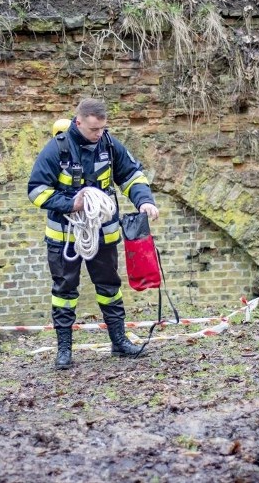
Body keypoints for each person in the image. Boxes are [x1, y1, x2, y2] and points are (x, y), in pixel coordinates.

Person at [28, 98, 159, 370]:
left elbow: (132, 176)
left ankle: (119, 341)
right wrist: (72, 204)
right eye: (92, 129)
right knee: (64, 291)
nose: (98, 134)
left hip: (103, 234)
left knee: (110, 288)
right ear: (78, 122)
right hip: (65, 237)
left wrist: (144, 200)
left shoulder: (110, 145)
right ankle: (64, 350)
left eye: (102, 128)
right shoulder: (56, 149)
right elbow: (36, 191)